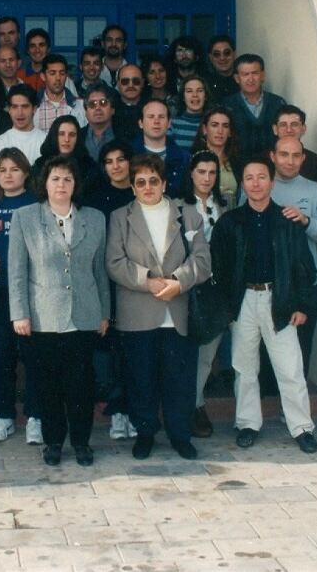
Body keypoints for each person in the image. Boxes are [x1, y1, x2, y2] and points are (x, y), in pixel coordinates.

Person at [210, 157, 317, 454]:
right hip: (244, 300)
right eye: (249, 177)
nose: (256, 183)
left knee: (290, 367)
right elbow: (218, 269)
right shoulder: (230, 222)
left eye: (262, 177)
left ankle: (301, 427)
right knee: (244, 367)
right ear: (242, 184)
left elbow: (304, 267)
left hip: (279, 299)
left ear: (272, 182)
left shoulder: (287, 221)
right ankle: (247, 423)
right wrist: (228, 308)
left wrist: (301, 305)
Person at [106, 153, 211, 461]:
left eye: (154, 181)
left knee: (179, 380)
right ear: (132, 187)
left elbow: (202, 260)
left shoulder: (189, 214)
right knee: (142, 379)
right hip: (137, 311)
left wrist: (178, 282)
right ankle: (146, 434)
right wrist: (148, 281)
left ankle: (180, 435)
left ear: (164, 183)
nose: (147, 187)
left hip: (177, 311)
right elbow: (114, 262)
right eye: (140, 182)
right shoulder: (119, 217)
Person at [9, 156, 110, 466]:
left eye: (67, 179)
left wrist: (105, 312)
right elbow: (16, 271)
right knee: (48, 385)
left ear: (75, 184)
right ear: (45, 183)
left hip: (84, 314)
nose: (62, 185)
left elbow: (100, 269)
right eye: (55, 179)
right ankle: (54, 442)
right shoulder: (25, 217)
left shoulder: (94, 219)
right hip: (43, 317)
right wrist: (19, 313)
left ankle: (81, 443)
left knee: (81, 385)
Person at [0, 148, 41, 444]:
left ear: (26, 173)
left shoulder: (36, 205)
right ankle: (4, 416)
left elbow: (42, 254)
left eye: (14, 169)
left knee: (33, 357)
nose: (8, 175)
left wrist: (2, 264)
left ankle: (35, 416)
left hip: (30, 294)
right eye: (2, 170)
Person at [79, 139, 135, 441]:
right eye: (109, 161)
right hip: (103, 281)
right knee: (105, 350)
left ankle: (129, 410)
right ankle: (115, 411)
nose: (116, 166)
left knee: (130, 350)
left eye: (121, 159)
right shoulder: (95, 198)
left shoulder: (140, 192)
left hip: (135, 283)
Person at [267, 136, 317, 374]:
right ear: (272, 156)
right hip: (267, 285)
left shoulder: (315, 190)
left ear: (304, 158)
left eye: (296, 155)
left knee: (299, 355)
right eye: (284, 154)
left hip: (303, 286)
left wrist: (306, 221)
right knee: (266, 360)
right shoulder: (260, 185)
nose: (290, 161)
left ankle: (294, 412)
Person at [180, 150, 230, 438]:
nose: (207, 178)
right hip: (185, 288)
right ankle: (183, 406)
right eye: (201, 172)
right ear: (191, 173)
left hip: (215, 290)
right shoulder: (177, 206)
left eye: (212, 173)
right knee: (184, 352)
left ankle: (196, 405)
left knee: (207, 354)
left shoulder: (224, 207)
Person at [223, 53, 287, 156]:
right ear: (237, 78)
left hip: (271, 165)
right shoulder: (226, 105)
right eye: (245, 74)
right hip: (238, 166)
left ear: (262, 76)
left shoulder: (277, 103)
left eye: (255, 73)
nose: (251, 79)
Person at [132, 99, 191, 198]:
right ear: (140, 123)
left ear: (169, 123)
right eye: (151, 117)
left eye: (161, 117)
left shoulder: (184, 158)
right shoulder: (128, 154)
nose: (156, 121)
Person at [32, 115, 97, 191]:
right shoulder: (40, 165)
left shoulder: (89, 166)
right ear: (54, 136)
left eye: (72, 135)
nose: (66, 139)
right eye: (61, 134)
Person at [190, 106, 240, 205]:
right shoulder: (192, 159)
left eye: (225, 126)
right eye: (214, 125)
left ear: (230, 132)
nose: (220, 131)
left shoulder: (237, 162)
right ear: (204, 129)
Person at [0, 84, 47, 168]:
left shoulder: (46, 141)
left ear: (34, 108)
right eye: (15, 107)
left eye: (25, 106)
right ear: (9, 109)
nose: (20, 113)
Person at [273, 105, 317, 183]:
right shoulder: (261, 160)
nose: (289, 130)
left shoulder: (316, 162)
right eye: (283, 125)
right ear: (275, 129)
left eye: (294, 124)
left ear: (303, 129)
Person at [34, 54, 85, 130]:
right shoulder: (33, 106)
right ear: (43, 76)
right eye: (52, 73)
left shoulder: (80, 106)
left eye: (62, 73)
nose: (58, 78)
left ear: (66, 76)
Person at [168, 75, 209, 150]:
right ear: (183, 97)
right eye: (189, 91)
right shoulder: (172, 124)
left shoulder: (212, 124)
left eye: (199, 90)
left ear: (205, 96)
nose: (195, 95)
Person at [79, 84, 117, 163]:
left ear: (112, 110)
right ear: (86, 112)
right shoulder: (77, 137)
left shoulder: (125, 136)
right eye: (92, 104)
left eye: (103, 103)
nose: (98, 108)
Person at [111, 64, 146, 142]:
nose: (130, 85)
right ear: (118, 84)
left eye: (136, 81)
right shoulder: (109, 109)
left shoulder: (152, 108)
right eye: (125, 81)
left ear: (142, 83)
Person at [204, 34, 238, 100]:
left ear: (234, 54)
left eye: (227, 53)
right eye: (217, 54)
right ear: (211, 57)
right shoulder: (204, 83)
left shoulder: (243, 79)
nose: (222, 58)